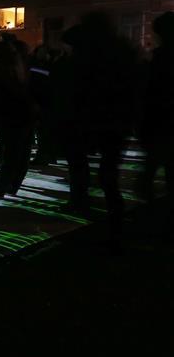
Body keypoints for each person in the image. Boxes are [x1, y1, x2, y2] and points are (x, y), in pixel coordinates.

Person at [54, 13, 137, 244]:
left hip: (87, 119)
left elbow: (72, 90)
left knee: (80, 164)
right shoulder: (121, 52)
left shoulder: (85, 58)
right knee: (107, 172)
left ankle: (84, 203)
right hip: (113, 121)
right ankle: (112, 211)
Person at [0, 39, 35, 198]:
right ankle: (12, 184)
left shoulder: (0, 71)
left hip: (9, 117)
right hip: (23, 115)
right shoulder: (21, 69)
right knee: (20, 153)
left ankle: (0, 187)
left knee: (10, 154)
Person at [139, 11, 174, 227]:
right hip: (163, 124)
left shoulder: (159, 59)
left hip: (161, 124)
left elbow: (150, 93)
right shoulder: (159, 58)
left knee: (151, 174)